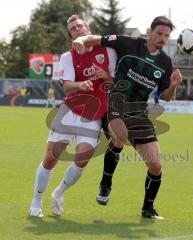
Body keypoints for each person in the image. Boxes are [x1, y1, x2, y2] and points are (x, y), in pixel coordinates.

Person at [73, 16, 183, 219]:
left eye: (167, 36)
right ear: (149, 32)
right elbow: (95, 39)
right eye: (159, 33)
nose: (163, 38)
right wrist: (81, 41)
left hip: (140, 110)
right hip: (116, 100)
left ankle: (148, 209)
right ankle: (106, 183)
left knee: (156, 165)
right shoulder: (127, 42)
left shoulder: (165, 62)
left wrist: (174, 84)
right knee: (119, 137)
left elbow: (165, 97)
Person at [29, 14, 117, 217]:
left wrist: (106, 77)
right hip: (70, 111)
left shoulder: (108, 51)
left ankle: (58, 193)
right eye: (73, 29)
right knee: (51, 158)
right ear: (71, 35)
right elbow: (68, 87)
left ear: (88, 28)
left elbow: (113, 83)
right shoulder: (67, 56)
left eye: (80, 26)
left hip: (94, 114)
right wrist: (81, 85)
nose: (77, 30)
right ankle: (36, 201)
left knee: (83, 158)